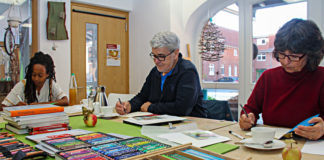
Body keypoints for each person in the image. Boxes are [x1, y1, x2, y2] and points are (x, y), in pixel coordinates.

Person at [239, 18, 324, 140]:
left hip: (310, 146)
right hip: (271, 144)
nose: (285, 61)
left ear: (310, 55)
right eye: (282, 54)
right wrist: (246, 118)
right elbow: (250, 109)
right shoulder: (268, 77)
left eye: (294, 56)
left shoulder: (321, 78)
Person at [115, 31, 207, 117]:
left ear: (175, 53)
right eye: (154, 56)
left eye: (161, 56)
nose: (156, 61)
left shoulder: (188, 71)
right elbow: (143, 96)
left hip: (192, 124)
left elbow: (182, 108)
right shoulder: (155, 71)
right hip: (163, 123)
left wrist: (151, 107)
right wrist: (130, 105)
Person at [0, 51, 69, 110]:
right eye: (34, 75)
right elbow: (3, 107)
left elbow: (65, 101)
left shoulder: (50, 83)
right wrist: (15, 107)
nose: (36, 78)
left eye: (40, 76)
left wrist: (41, 105)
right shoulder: (23, 85)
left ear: (47, 74)